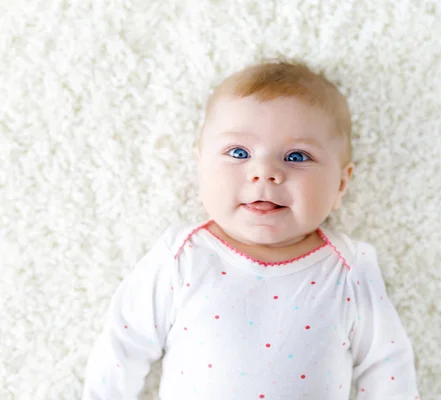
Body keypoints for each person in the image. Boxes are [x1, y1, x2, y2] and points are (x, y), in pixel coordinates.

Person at [83, 58, 420, 399]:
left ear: (341, 184)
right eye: (239, 152)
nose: (264, 172)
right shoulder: (183, 255)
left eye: (297, 156)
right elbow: (122, 348)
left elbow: (387, 368)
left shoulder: (348, 268)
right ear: (200, 166)